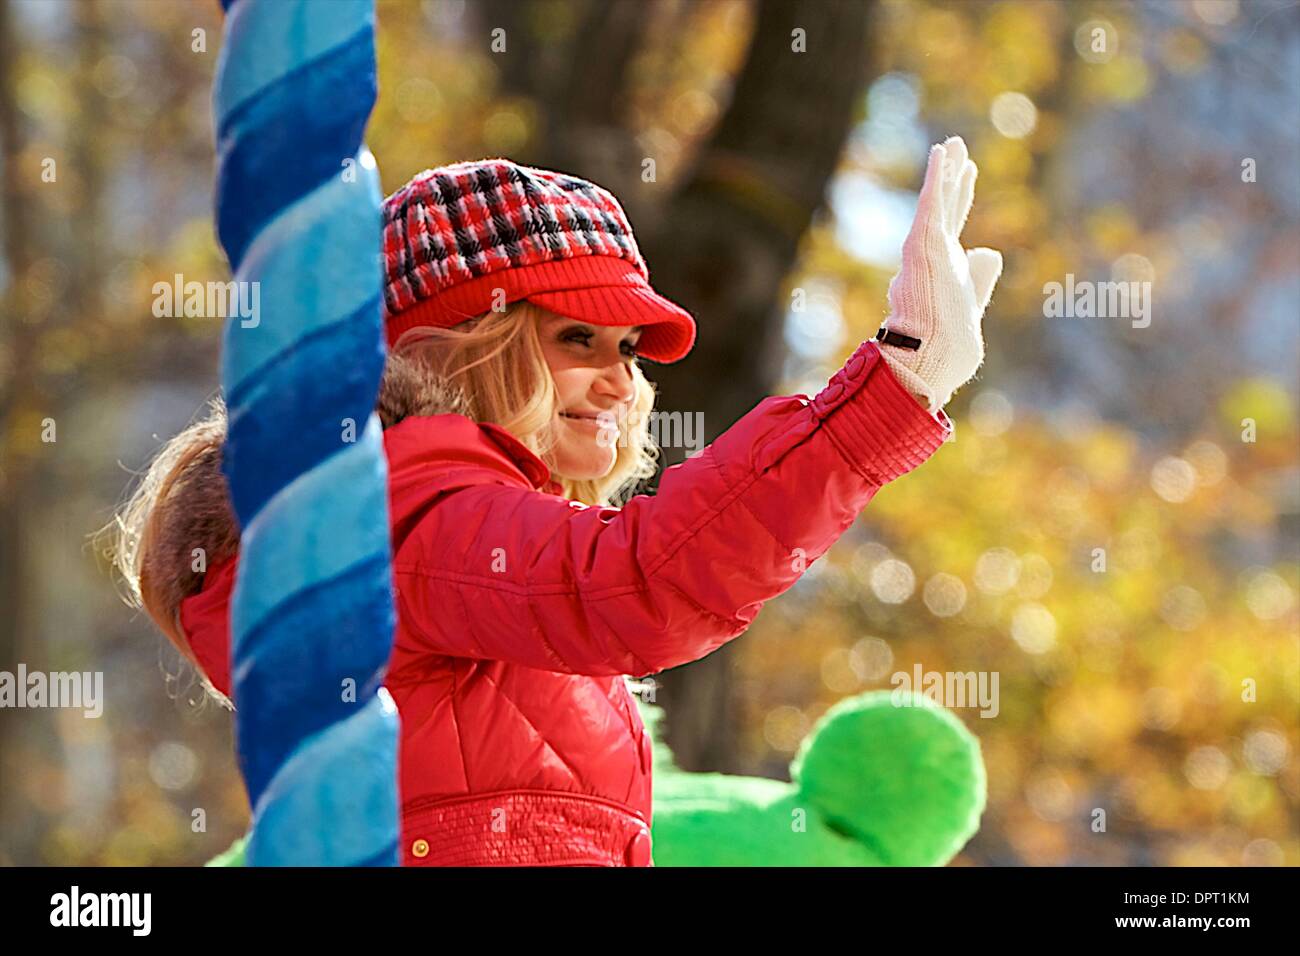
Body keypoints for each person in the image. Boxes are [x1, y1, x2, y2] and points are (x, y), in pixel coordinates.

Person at [111, 139, 1002, 867]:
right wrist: (893, 385)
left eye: (630, 350)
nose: (621, 381)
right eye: (576, 338)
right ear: (445, 352)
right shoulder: (394, 504)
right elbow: (637, 582)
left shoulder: (434, 516)